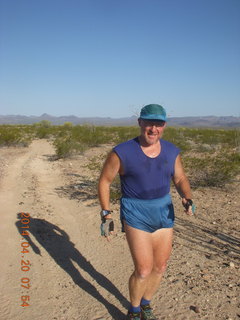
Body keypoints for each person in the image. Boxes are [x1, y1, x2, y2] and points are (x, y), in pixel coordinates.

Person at [98, 104, 194, 320]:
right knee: (143, 270)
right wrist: (106, 213)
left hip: (163, 211)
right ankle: (133, 310)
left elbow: (179, 178)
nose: (153, 128)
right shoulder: (122, 152)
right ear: (140, 122)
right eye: (149, 123)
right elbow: (104, 181)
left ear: (164, 125)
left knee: (159, 267)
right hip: (135, 211)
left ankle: (146, 304)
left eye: (158, 124)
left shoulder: (171, 151)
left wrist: (186, 197)